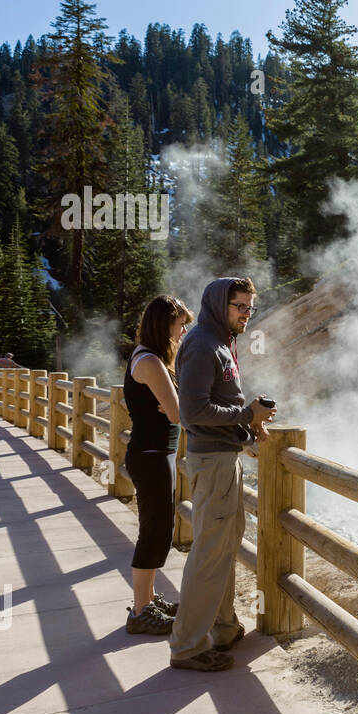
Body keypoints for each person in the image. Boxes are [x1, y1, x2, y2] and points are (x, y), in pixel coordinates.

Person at [169, 277, 274, 671]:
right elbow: (193, 412)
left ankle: (223, 627)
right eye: (240, 307)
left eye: (251, 308)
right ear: (219, 305)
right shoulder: (201, 345)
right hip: (212, 463)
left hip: (222, 460)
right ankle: (187, 647)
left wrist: (248, 427)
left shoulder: (220, 342)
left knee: (224, 547)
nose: (247, 314)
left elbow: (218, 405)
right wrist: (248, 415)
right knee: (209, 554)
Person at [123, 295, 195, 635]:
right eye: (180, 325)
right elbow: (177, 411)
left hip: (154, 454)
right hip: (151, 456)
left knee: (158, 529)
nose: (182, 332)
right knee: (155, 531)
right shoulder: (150, 361)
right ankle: (139, 610)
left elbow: (170, 407)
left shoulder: (149, 357)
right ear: (163, 324)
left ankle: (147, 599)